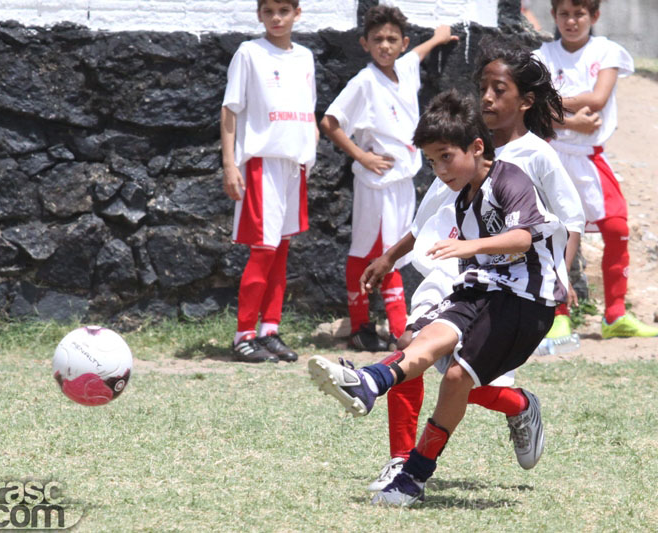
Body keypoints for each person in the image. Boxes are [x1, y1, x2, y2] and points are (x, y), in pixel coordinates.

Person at [308, 90, 569, 507]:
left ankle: (414, 475)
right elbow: (427, 227)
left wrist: (469, 247)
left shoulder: (510, 177)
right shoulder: (461, 193)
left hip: (526, 300)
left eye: (445, 157)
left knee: (455, 380)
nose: (438, 168)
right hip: (481, 284)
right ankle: (369, 382)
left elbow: (522, 238)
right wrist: (394, 257)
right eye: (431, 161)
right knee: (421, 339)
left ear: (476, 147)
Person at [360, 44, 585, 493]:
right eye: (481, 87)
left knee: (458, 375)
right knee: (411, 344)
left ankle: (518, 404)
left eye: (497, 89)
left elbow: (568, 220)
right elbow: (428, 213)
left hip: (507, 284)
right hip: (450, 267)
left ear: (525, 100)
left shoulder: (536, 155)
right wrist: (390, 257)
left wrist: (562, 275)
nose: (486, 97)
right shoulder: (461, 145)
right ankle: (401, 460)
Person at [319, 5, 457, 352]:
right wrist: (362, 156)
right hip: (376, 183)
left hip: (403, 181)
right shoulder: (364, 81)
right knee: (373, 252)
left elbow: (417, 54)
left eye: (391, 39)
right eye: (377, 39)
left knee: (396, 249)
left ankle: (392, 327)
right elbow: (330, 122)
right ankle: (379, 326)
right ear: (365, 43)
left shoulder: (405, 68)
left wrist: (438, 38)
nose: (384, 45)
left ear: (402, 42)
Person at [534, 0, 658, 339]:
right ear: (554, 16)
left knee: (617, 226)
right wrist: (573, 118)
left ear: (594, 16)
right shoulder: (542, 56)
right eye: (564, 14)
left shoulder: (608, 51)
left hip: (590, 155)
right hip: (552, 154)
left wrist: (555, 101)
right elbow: (533, 104)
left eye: (579, 14)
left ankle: (615, 314)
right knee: (553, 232)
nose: (571, 21)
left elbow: (600, 98)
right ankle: (557, 313)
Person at [221, 0, 318, 363]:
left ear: (297, 13)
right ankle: (243, 334)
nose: (276, 18)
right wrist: (230, 164)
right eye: (269, 11)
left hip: (294, 165)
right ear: (259, 14)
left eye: (284, 10)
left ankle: (269, 330)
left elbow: (308, 111)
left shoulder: (305, 57)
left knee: (281, 252)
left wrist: (310, 151)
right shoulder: (249, 53)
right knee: (262, 251)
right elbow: (230, 110)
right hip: (261, 163)